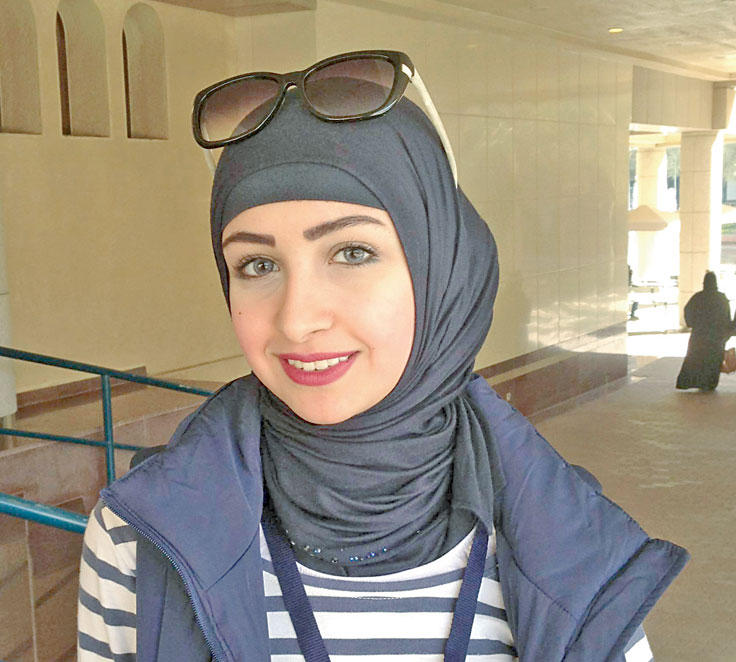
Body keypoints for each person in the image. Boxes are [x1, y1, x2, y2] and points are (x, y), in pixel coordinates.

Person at [78, 51, 688, 661]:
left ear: (441, 271)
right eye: (257, 265)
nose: (297, 319)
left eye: (352, 253)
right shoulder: (141, 540)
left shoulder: (577, 554)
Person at [676, 271, 733, 391]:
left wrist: (692, 324)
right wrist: (726, 332)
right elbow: (726, 317)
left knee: (697, 358)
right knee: (713, 360)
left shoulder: (698, 297)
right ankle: (710, 383)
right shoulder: (721, 298)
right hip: (716, 336)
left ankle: (694, 381)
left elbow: (688, 311)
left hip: (699, 335)